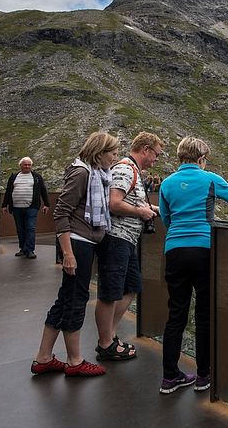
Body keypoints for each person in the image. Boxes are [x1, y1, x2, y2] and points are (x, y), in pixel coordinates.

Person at [157, 136, 228, 394]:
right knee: (204, 313)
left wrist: (178, 236)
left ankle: (170, 377)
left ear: (180, 157)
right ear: (201, 158)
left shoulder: (167, 184)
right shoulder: (209, 179)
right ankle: (204, 376)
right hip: (204, 249)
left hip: (175, 251)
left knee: (176, 314)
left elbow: (166, 217)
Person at [31, 131, 120, 377]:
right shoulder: (82, 173)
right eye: (112, 152)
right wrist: (67, 254)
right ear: (99, 153)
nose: (115, 156)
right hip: (78, 244)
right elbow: (61, 213)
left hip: (84, 242)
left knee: (65, 298)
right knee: (76, 299)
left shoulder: (97, 173)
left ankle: (44, 358)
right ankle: (74, 360)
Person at [94, 132, 163, 361]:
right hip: (116, 238)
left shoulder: (132, 170)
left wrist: (150, 209)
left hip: (127, 239)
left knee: (131, 286)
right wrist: (140, 212)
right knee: (110, 292)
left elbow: (130, 200)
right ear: (145, 149)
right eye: (156, 154)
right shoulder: (125, 169)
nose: (156, 160)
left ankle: (110, 336)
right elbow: (114, 203)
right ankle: (105, 344)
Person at [1, 157, 50, 259]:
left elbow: (43, 190)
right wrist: (4, 205)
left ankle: (30, 250)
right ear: (20, 165)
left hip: (31, 207)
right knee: (20, 229)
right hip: (16, 208)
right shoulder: (14, 177)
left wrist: (47, 204)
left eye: (29, 165)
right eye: (25, 165)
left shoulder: (36, 177)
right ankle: (23, 249)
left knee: (30, 228)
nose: (27, 166)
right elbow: (8, 191)